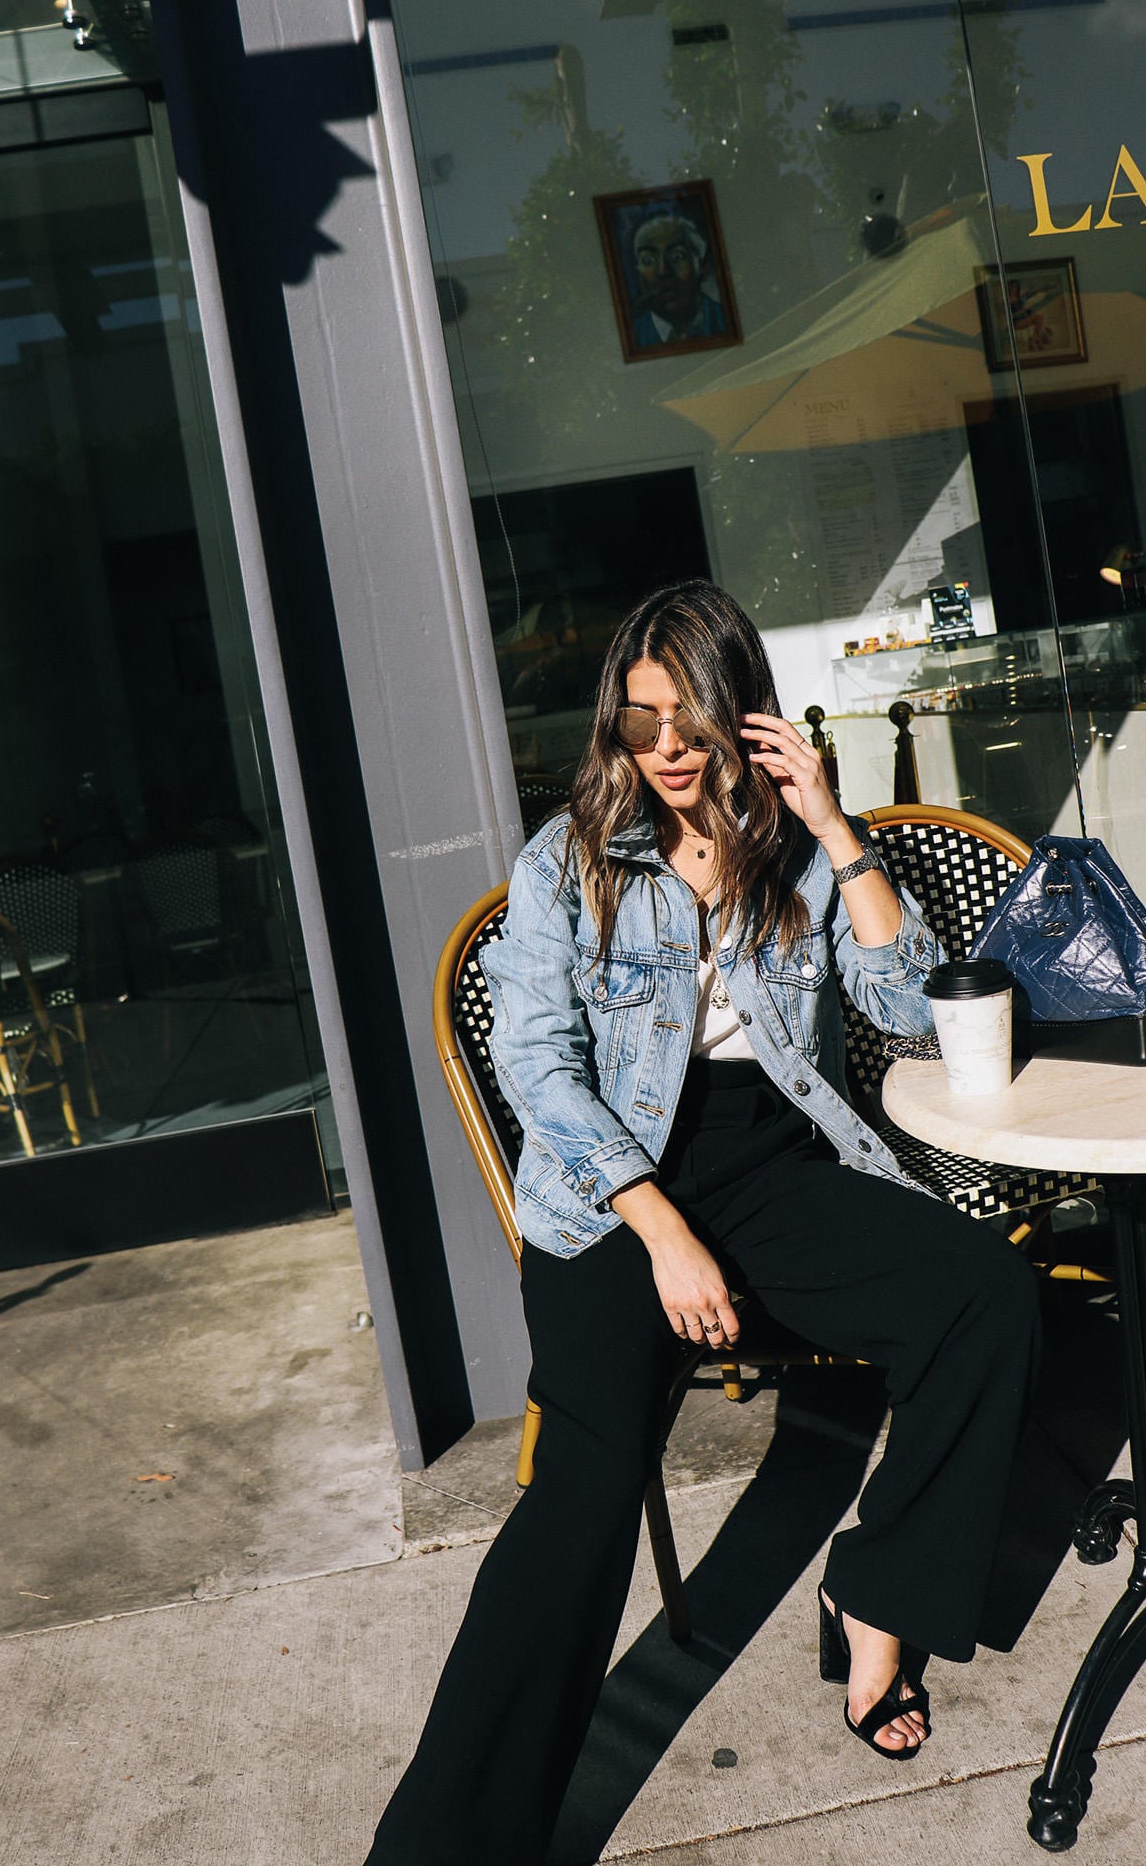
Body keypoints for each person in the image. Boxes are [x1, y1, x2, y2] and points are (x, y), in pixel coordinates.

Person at [363, 580, 1039, 1866]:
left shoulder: (787, 843)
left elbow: (906, 1004)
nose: (665, 747)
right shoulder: (569, 859)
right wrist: (660, 1226)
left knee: (984, 1295)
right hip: (617, 1196)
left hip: (773, 1167)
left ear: (743, 713)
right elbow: (540, 1065)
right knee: (587, 1488)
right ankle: (448, 1845)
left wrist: (837, 827)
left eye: (691, 717)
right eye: (640, 721)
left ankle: (878, 1592)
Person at [629, 212, 729, 346]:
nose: (663, 271)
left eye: (677, 257)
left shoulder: (729, 320)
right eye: (648, 260)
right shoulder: (631, 337)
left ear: (703, 267)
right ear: (638, 273)